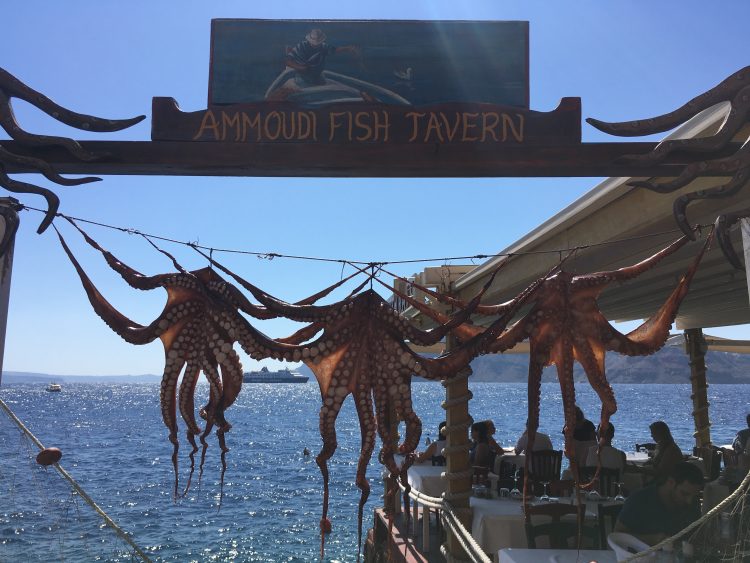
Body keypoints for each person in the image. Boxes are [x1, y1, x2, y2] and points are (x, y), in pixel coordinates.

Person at [614, 462, 704, 545]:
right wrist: (650, 539)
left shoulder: (693, 503)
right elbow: (617, 535)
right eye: (684, 494)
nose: (689, 501)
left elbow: (697, 538)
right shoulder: (640, 500)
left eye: (695, 496)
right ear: (671, 482)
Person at [285, 29, 360, 89]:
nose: (316, 45)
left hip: (318, 76)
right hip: (303, 77)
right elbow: (288, 61)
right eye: (314, 43)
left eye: (318, 43)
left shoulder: (323, 46)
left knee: (324, 87)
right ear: (309, 40)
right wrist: (300, 67)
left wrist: (348, 48)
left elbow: (335, 50)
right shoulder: (301, 46)